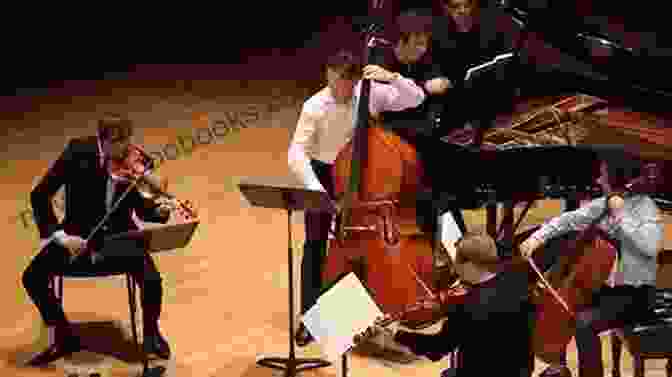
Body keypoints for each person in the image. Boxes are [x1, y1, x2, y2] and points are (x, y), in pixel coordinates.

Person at [288, 49, 426, 347]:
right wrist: (319, 192)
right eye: (337, 82)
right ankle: (309, 318)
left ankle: (356, 311)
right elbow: (296, 154)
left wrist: (393, 78)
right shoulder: (314, 107)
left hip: (364, 171)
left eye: (348, 84)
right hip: (324, 174)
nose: (343, 90)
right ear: (328, 74)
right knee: (315, 245)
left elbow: (416, 98)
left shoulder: (368, 91)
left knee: (361, 241)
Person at [23, 114, 173, 366]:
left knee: (152, 280)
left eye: (129, 142)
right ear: (106, 140)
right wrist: (61, 237)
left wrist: (158, 211)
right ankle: (62, 334)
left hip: (120, 237)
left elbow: (140, 206)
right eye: (122, 145)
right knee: (32, 277)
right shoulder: (76, 152)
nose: (129, 153)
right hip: (77, 236)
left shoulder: (133, 160)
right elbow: (39, 195)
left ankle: (151, 333)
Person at [520, 158, 664, 377]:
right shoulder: (603, 206)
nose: (598, 180)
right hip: (601, 289)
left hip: (634, 295)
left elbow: (647, 246)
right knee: (553, 306)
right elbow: (565, 221)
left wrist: (619, 217)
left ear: (618, 182)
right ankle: (559, 368)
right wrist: (535, 239)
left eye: (603, 177)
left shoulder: (647, 211)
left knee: (583, 323)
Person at [360, 231, 535, 376]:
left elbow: (437, 349)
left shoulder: (468, 306)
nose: (453, 268)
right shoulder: (518, 285)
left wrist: (397, 335)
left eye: (456, 262)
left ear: (470, 265)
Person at [432, 0, 518, 145]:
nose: (463, 10)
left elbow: (499, 63)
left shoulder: (487, 29)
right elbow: (436, 72)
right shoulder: (438, 34)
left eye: (467, 5)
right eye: (456, 7)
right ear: (446, 8)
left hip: (487, 100)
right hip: (455, 105)